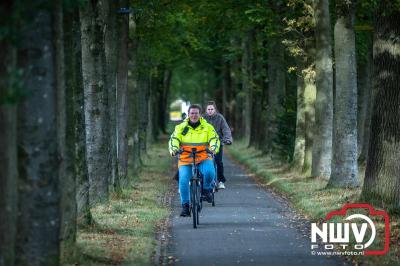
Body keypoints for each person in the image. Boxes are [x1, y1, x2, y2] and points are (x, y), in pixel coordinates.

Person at [169, 104, 220, 217]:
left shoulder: (207, 127)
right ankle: (185, 206)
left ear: (200, 114)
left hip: (203, 156)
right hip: (185, 158)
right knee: (183, 181)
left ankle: (206, 189)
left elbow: (214, 138)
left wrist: (213, 149)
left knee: (210, 172)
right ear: (188, 114)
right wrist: (174, 149)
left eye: (196, 113)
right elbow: (174, 139)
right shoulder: (181, 127)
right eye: (192, 113)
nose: (194, 115)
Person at [202, 101, 233, 189]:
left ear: (215, 110)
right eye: (208, 109)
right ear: (206, 110)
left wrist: (227, 139)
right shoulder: (202, 118)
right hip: (205, 143)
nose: (210, 111)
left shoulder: (220, 118)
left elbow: (226, 129)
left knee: (218, 161)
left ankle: (221, 181)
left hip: (218, 142)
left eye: (212, 109)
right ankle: (203, 179)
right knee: (201, 160)